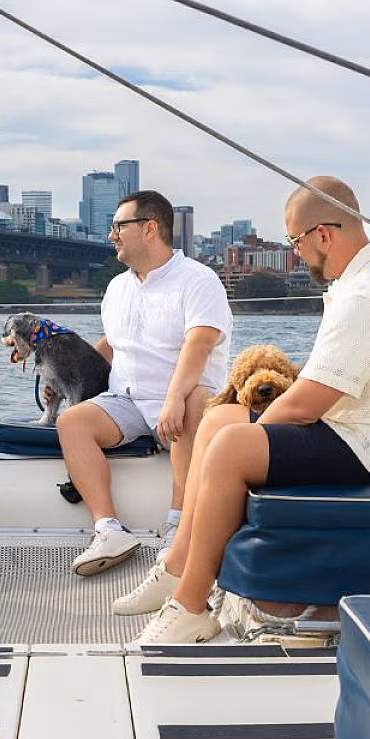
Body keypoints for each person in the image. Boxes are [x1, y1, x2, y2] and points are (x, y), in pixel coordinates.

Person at [120, 176, 370, 643]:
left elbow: (305, 405)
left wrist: (250, 436)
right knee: (217, 419)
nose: (296, 252)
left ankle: (192, 605)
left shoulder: (366, 296)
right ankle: (178, 567)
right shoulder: (361, 280)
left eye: (295, 241)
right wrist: (244, 429)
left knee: (230, 442)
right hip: (360, 430)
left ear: (323, 235)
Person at [59, 191, 231, 577]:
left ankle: (178, 525)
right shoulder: (118, 288)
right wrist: (69, 379)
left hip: (183, 399)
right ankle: (109, 530)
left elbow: (199, 345)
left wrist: (173, 399)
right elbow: (113, 345)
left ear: (149, 228)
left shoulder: (198, 281)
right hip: (129, 401)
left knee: (197, 400)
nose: (111, 236)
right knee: (72, 422)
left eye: (119, 226)